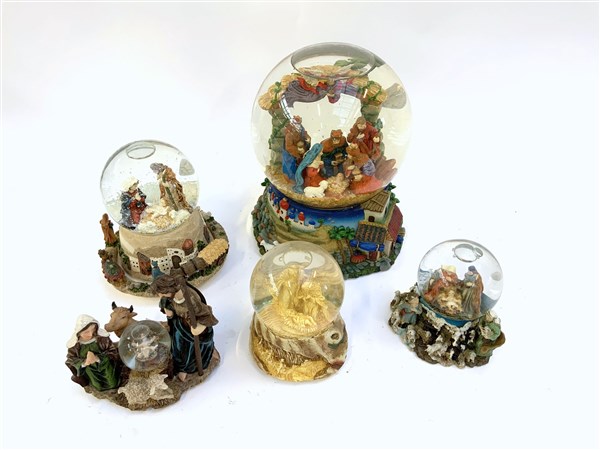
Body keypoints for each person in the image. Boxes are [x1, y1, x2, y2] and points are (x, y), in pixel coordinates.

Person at [151, 275, 218, 381]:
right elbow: (169, 308)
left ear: (169, 289)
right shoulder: (168, 297)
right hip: (180, 325)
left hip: (195, 328)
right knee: (178, 347)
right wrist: (169, 312)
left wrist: (199, 327)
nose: (160, 296)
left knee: (189, 350)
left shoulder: (190, 299)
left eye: (161, 293)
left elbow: (206, 315)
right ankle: (182, 368)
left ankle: (189, 367)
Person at [65, 315, 121, 391]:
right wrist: (84, 362)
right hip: (90, 370)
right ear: (79, 332)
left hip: (105, 366)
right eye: (86, 332)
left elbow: (112, 351)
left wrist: (97, 358)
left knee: (112, 383)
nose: (91, 334)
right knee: (97, 386)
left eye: (93, 329)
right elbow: (71, 359)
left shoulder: (102, 339)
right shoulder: (75, 346)